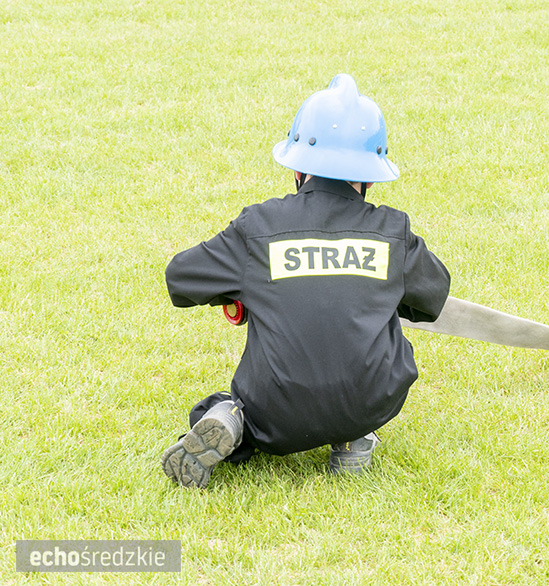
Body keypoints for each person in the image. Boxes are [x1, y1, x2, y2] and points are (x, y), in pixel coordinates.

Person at [161, 74, 451, 488]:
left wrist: (238, 286)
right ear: (370, 176)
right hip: (373, 400)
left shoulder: (258, 228)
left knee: (241, 407)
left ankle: (230, 418)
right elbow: (434, 298)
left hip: (275, 410)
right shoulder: (393, 232)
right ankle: (354, 435)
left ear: (298, 167)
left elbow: (180, 278)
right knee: (381, 354)